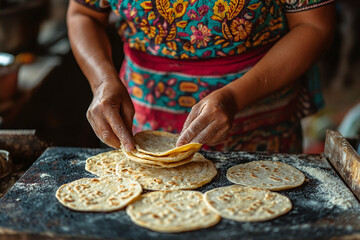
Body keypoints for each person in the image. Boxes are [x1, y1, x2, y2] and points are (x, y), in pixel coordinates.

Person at [67, 0, 335, 153]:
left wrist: (235, 96)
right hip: (143, 114)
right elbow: (83, 13)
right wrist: (102, 80)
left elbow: (313, 25)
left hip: (260, 115)